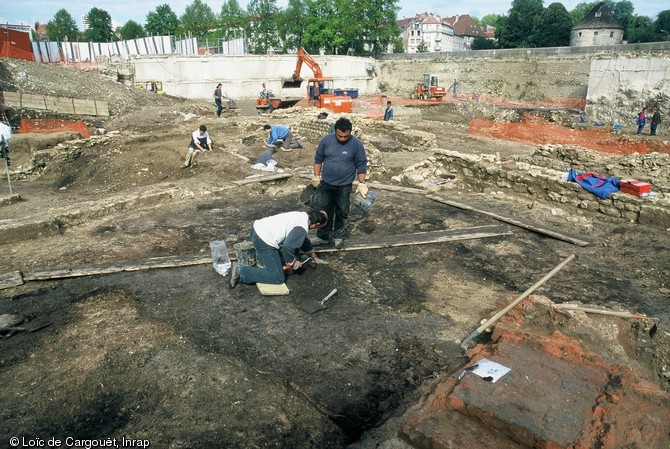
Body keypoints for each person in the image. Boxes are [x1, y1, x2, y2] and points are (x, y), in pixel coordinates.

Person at [229, 209, 328, 288]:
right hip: (263, 240)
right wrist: (292, 262)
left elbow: (303, 239)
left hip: (257, 229)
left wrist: (314, 257)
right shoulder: (302, 227)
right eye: (317, 228)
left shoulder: (302, 216)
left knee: (288, 253)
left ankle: (267, 262)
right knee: (277, 277)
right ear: (317, 224)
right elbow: (288, 247)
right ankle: (241, 272)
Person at [311, 117, 368, 245]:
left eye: (345, 137)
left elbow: (361, 164)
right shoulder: (326, 140)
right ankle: (323, 236)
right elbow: (318, 159)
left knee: (342, 211)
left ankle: (339, 236)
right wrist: (316, 176)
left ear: (350, 132)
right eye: (339, 136)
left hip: (344, 185)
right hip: (326, 183)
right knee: (323, 210)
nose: (342, 139)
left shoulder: (356, 144)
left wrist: (362, 183)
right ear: (335, 131)